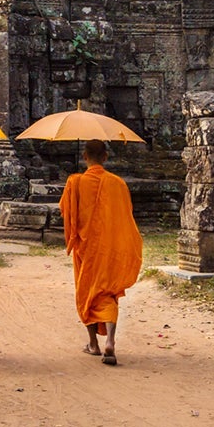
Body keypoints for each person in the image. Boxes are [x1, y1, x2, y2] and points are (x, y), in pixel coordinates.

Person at [59, 138, 143, 366]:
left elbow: (66, 213)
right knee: (108, 293)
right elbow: (126, 214)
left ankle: (94, 344)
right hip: (110, 247)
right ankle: (111, 342)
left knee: (87, 292)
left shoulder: (74, 182)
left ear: (84, 156)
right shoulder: (118, 184)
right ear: (105, 157)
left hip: (86, 249)